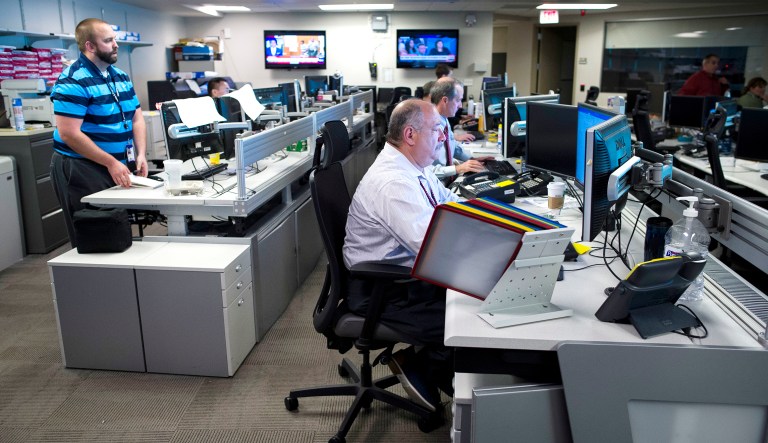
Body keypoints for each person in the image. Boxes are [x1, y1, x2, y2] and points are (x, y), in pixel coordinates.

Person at [343, 99, 458, 411]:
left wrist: (492, 219)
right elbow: (433, 250)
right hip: (383, 288)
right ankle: (419, 364)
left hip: (402, 274)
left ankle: (421, 362)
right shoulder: (393, 183)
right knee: (466, 321)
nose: (444, 138)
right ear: (411, 135)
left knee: (470, 301)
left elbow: (448, 201)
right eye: (437, 130)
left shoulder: (413, 168)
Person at [49, 18, 147, 247]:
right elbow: (69, 134)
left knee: (117, 227)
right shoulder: (73, 79)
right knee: (95, 233)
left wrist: (140, 154)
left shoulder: (119, 76)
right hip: (82, 166)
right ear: (89, 46)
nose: (116, 45)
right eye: (108, 40)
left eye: (115, 39)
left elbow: (137, 117)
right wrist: (110, 162)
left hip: (114, 163)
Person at [427, 77, 487, 182]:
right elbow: (425, 170)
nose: (460, 106)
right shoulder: (428, 127)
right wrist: (457, 168)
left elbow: (452, 144)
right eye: (458, 100)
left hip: (447, 182)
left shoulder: (443, 119)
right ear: (445, 100)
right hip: (437, 185)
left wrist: (471, 159)